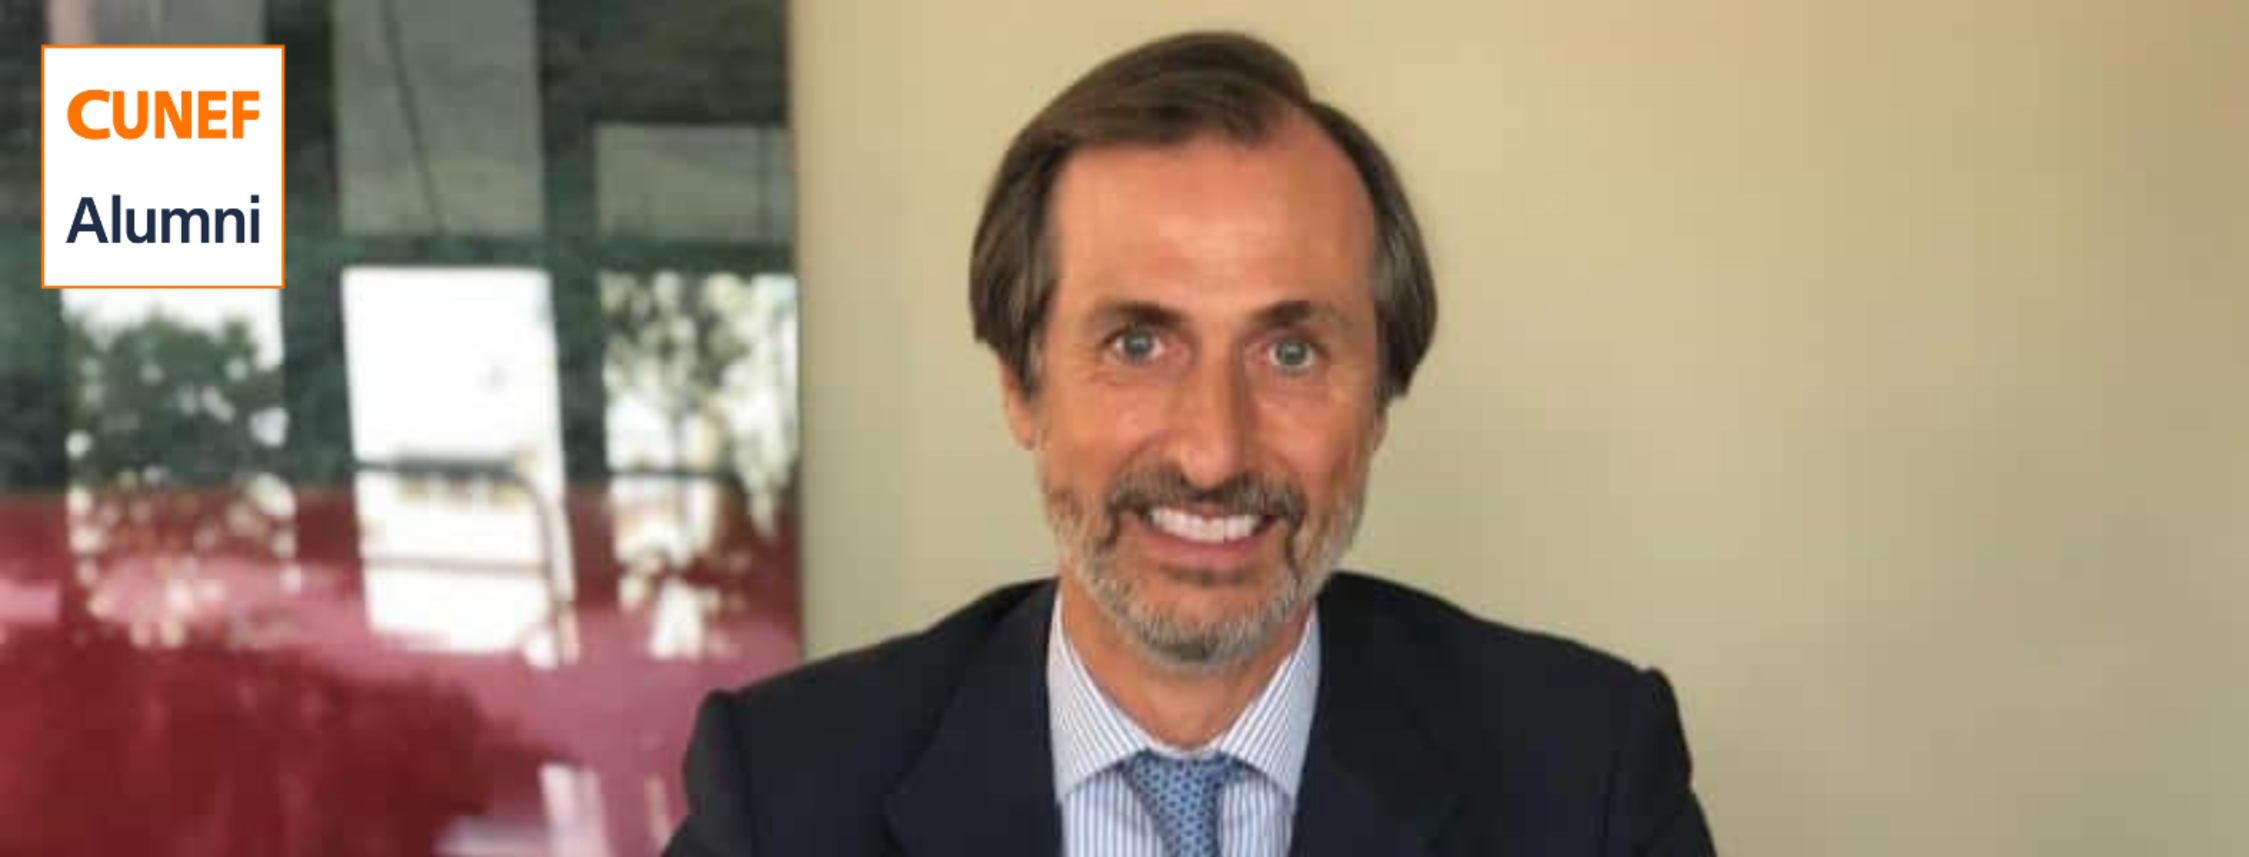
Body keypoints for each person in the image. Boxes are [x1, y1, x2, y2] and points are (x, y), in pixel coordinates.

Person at [664, 30, 1716, 857]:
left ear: (1378, 406)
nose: (1214, 453)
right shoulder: (785, 792)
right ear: (1020, 385)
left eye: (1292, 352)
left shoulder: (1591, 776)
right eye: (1138, 343)